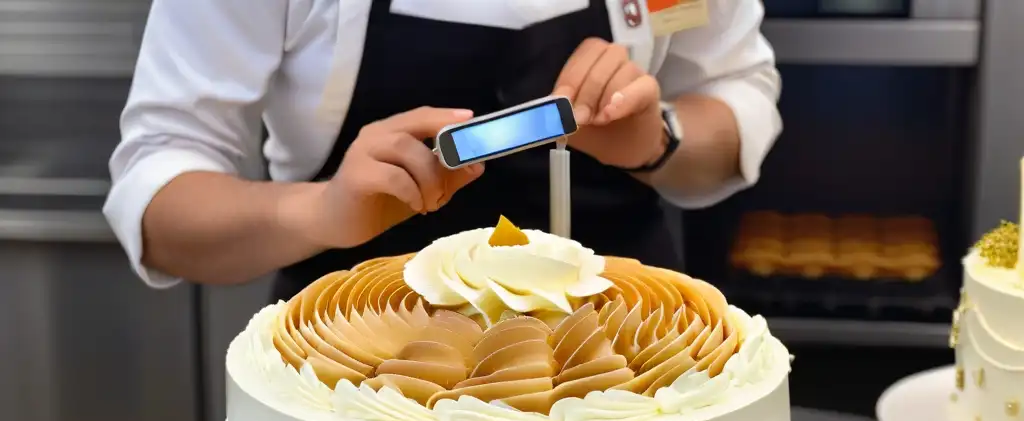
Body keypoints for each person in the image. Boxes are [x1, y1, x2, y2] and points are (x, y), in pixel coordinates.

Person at [104, 0, 781, 303]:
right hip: (356, 389)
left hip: (628, 367)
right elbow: (160, 194)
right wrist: (320, 213)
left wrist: (657, 138)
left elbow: (736, 91)